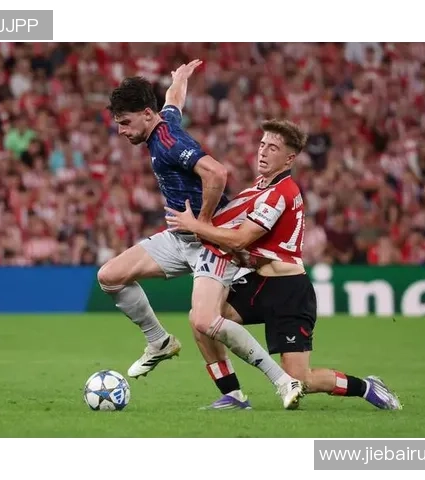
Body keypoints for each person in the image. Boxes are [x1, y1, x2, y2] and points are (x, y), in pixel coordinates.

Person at [98, 61, 305, 409]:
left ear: (146, 115)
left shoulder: (168, 142)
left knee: (205, 320)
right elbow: (174, 101)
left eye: (125, 122)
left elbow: (217, 173)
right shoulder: (163, 123)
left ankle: (284, 381)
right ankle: (160, 342)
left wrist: (203, 223)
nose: (121, 130)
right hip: (179, 236)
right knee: (110, 276)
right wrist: (179, 79)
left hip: (208, 242)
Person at [166, 119, 402, 411]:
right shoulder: (260, 187)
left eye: (273, 148)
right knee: (202, 319)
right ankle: (233, 395)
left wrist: (195, 225)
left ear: (289, 159)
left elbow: (240, 239)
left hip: (289, 291)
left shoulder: (282, 192)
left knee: (301, 380)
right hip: (259, 283)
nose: (263, 152)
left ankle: (365, 386)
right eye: (262, 144)